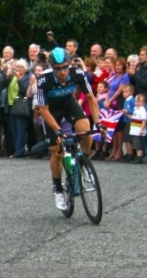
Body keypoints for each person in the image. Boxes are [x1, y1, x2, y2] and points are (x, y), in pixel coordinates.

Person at [36, 48, 103, 211]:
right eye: (58, 68)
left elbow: (91, 99)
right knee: (56, 152)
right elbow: (43, 110)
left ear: (70, 64)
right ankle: (58, 188)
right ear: (51, 66)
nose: (62, 72)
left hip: (68, 104)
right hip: (50, 110)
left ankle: (84, 165)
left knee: (86, 130)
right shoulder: (44, 80)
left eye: (65, 67)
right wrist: (58, 130)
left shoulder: (78, 73)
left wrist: (98, 123)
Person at [130, 46, 147, 162]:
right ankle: (141, 152)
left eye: (143, 55)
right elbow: (135, 83)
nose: (140, 56)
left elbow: (146, 83)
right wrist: (132, 74)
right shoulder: (141, 68)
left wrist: (135, 74)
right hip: (139, 102)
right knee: (139, 128)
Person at [124, 94, 147, 163]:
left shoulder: (142, 110)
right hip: (134, 130)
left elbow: (144, 120)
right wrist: (126, 114)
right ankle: (137, 157)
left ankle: (139, 158)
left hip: (138, 131)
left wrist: (142, 129)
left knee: (138, 145)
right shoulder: (135, 109)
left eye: (139, 102)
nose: (137, 103)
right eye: (136, 102)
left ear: (143, 103)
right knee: (135, 144)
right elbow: (133, 118)